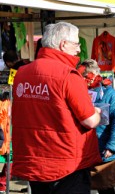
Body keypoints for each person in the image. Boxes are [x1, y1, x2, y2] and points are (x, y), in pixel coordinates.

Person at [11, 22, 102, 194]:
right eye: (76, 44)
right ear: (63, 44)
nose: (78, 50)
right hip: (66, 162)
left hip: (33, 159)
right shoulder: (68, 76)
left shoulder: (22, 73)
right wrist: (97, 113)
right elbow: (90, 121)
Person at [78, 59, 115, 194]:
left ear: (94, 74)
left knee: (105, 188)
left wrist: (112, 145)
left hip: (102, 149)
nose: (84, 79)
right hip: (81, 150)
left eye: (86, 76)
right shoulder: (78, 92)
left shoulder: (110, 94)